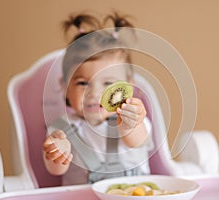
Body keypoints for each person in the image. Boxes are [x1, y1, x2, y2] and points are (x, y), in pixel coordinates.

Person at [42, 12, 153, 185]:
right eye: (83, 83)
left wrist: (132, 124)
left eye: (108, 82)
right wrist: (57, 153)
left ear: (128, 87)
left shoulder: (133, 120)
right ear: (65, 87)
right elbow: (55, 170)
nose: (94, 93)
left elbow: (135, 141)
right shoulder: (61, 129)